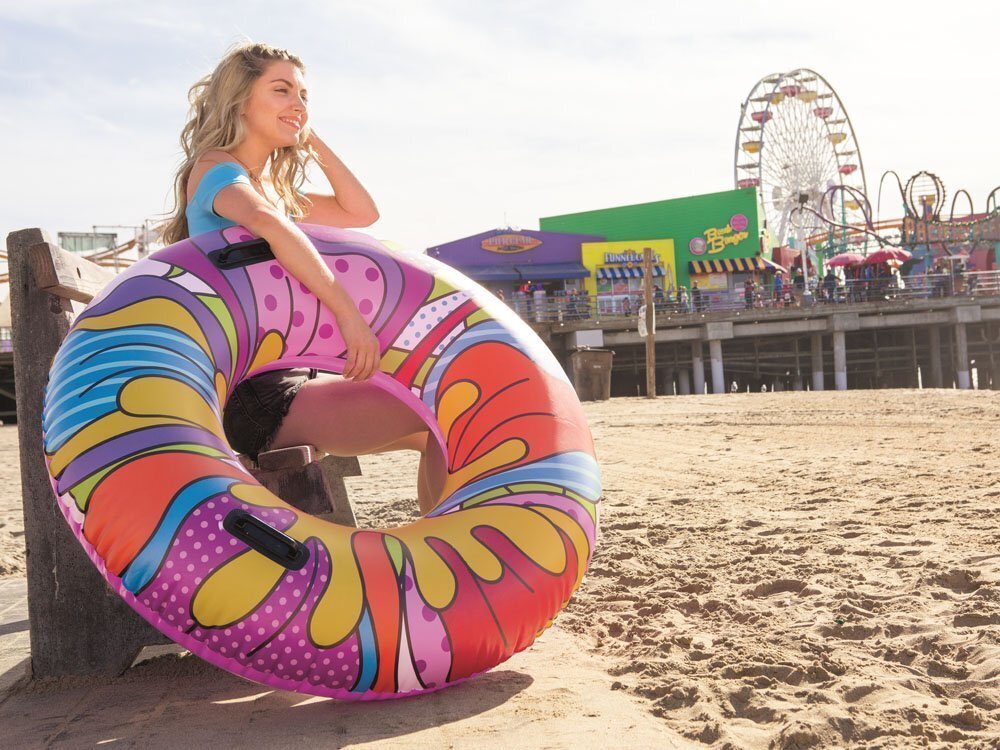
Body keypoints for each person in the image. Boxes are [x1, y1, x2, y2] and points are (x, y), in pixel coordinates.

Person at [161, 41, 446, 513]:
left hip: (288, 378)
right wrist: (350, 318)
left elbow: (362, 212)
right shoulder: (217, 168)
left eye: (304, 96)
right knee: (438, 417)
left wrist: (306, 134)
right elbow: (272, 227)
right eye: (281, 90)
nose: (298, 103)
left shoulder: (270, 188)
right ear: (240, 100)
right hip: (256, 394)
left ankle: (447, 558)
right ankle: (448, 566)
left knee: (438, 427)